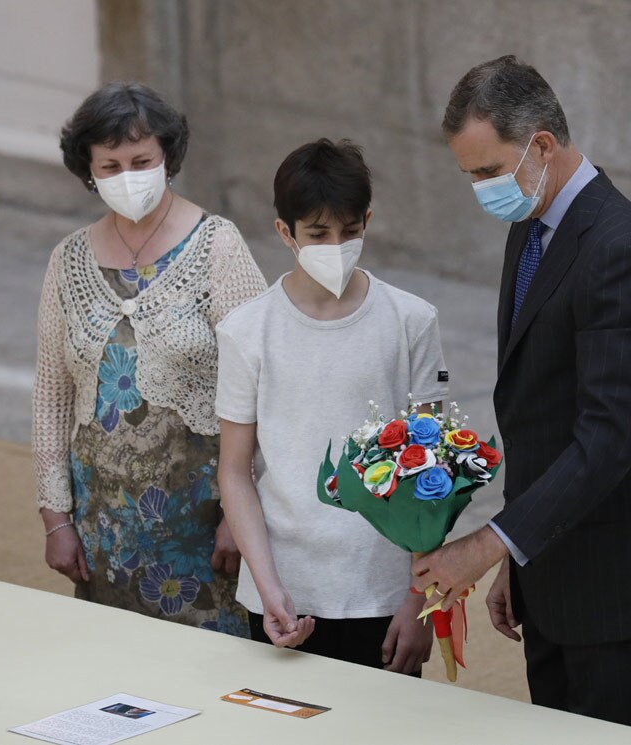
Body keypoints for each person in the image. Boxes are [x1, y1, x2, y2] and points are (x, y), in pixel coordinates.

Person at [412, 55, 631, 734]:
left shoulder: (622, 251)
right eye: (468, 175)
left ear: (541, 146)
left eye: (487, 171)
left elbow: (607, 438)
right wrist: (521, 560)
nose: (480, 189)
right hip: (553, 572)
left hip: (624, 587)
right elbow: (540, 413)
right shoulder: (532, 224)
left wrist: (486, 545)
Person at [33, 82, 267, 636]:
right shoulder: (67, 260)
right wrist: (55, 520)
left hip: (207, 519)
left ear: (169, 157)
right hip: (105, 525)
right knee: (117, 671)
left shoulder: (218, 245)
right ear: (88, 170)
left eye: (141, 160)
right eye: (110, 165)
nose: (128, 176)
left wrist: (246, 513)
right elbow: (51, 397)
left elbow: (263, 380)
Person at [216, 138, 449, 673]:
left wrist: (420, 598)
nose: (336, 244)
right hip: (283, 589)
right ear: (284, 232)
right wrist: (268, 586)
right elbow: (234, 470)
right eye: (318, 234)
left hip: (383, 592)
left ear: (367, 220)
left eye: (350, 231)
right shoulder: (246, 331)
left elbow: (430, 467)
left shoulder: (412, 322)